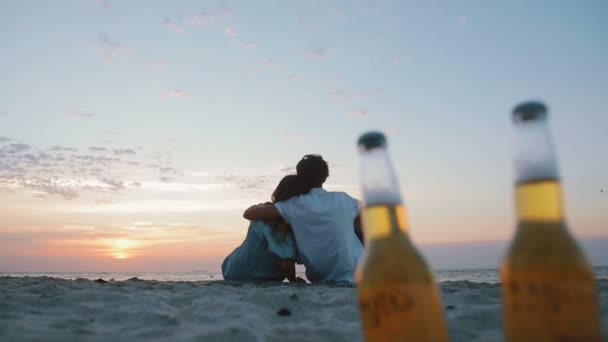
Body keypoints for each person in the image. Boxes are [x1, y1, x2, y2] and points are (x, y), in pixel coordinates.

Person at [244, 154, 364, 284]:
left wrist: (268, 206)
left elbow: (249, 214)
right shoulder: (343, 200)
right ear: (325, 176)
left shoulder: (293, 205)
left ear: (300, 176)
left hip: (322, 278)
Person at [222, 175, 309, 282]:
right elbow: (287, 265)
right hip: (261, 279)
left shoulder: (261, 211)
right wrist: (294, 281)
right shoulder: (286, 227)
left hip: (232, 271)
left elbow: (248, 212)